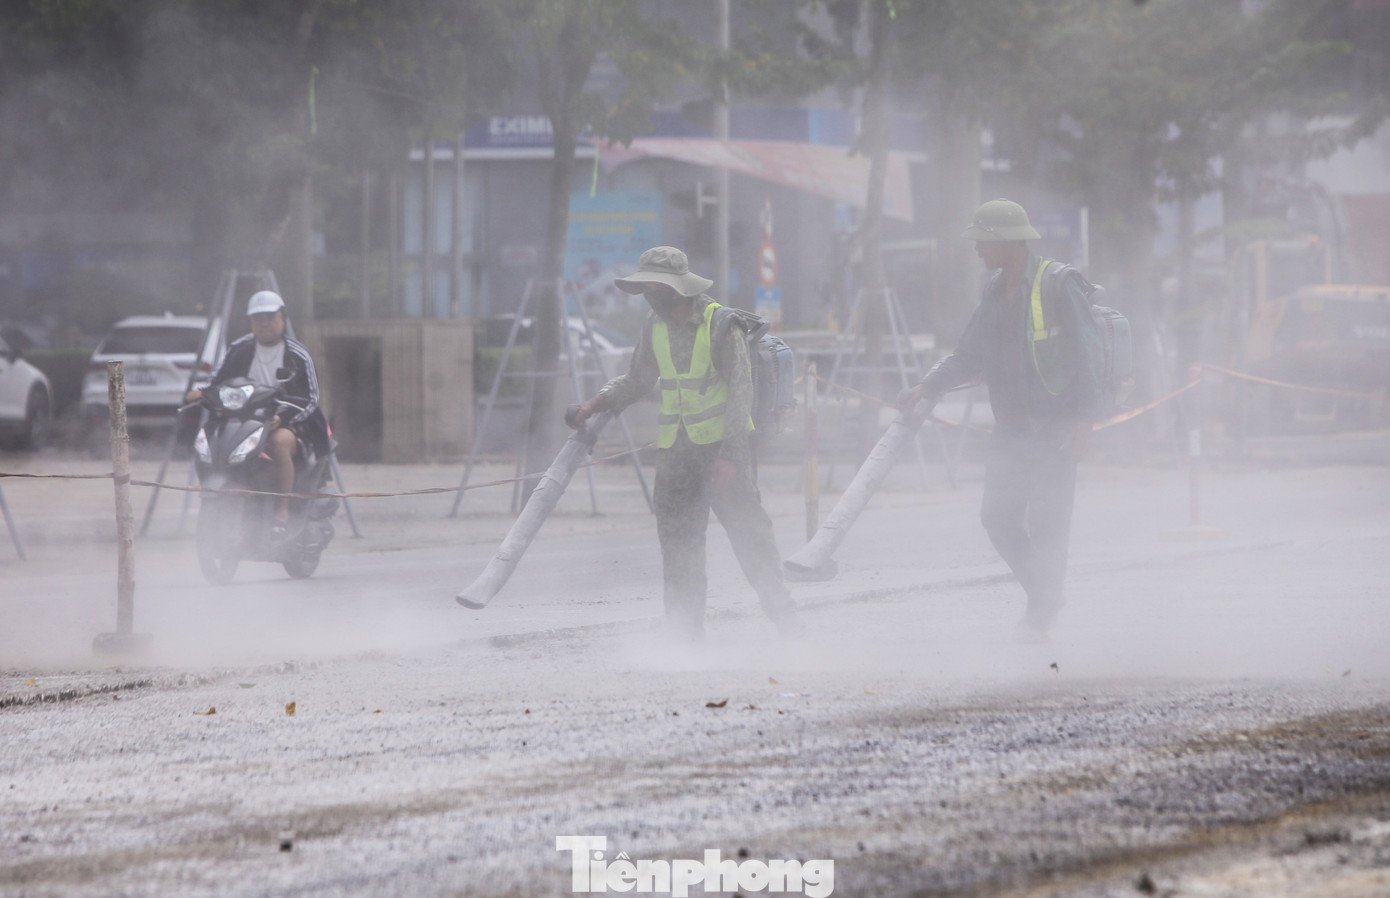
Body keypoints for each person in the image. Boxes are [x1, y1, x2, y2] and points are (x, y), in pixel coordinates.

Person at [568, 246, 802, 640]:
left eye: (652, 288)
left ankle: (789, 624)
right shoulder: (653, 324)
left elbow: (740, 395)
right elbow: (638, 379)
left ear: (673, 289)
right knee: (678, 552)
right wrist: (597, 401)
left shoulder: (720, 325)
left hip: (722, 456)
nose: (647, 296)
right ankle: (684, 639)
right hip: (676, 457)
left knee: (752, 540)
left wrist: (730, 457)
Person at [899, 200, 1104, 642]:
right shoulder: (995, 289)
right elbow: (968, 352)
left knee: (1049, 525)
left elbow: (1090, 353)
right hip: (1012, 430)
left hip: (1055, 427)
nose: (976, 250)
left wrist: (1084, 419)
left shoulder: (1058, 283)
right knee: (997, 517)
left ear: (1008, 242)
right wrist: (929, 385)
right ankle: (1045, 596)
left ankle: (1040, 614)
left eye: (983, 241)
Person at [186, 290, 329, 538]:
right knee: (211, 442)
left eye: (271, 316)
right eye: (258, 317)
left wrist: (282, 418)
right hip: (243, 421)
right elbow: (216, 382)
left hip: (289, 422)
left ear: (282, 318)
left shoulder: (297, 354)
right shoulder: (238, 349)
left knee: (277, 444)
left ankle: (281, 513)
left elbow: (312, 398)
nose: (265, 323)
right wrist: (201, 393)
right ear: (251, 321)